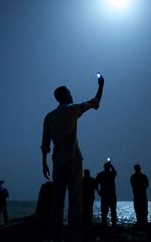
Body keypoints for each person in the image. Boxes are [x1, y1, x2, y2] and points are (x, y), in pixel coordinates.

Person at [41, 75, 105, 242]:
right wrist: (101, 85)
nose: (71, 94)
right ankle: (74, 237)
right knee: (75, 201)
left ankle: (56, 236)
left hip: (57, 162)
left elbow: (45, 144)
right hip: (73, 160)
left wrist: (44, 163)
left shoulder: (49, 117)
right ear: (65, 96)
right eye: (69, 92)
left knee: (58, 201)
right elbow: (95, 101)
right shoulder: (73, 109)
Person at [96, 161, 117, 227]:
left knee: (104, 211)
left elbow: (95, 184)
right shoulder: (111, 174)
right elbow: (115, 171)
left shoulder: (100, 174)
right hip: (111, 195)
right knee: (113, 210)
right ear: (108, 167)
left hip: (104, 195)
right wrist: (111, 165)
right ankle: (113, 224)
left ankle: (104, 224)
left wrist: (98, 191)